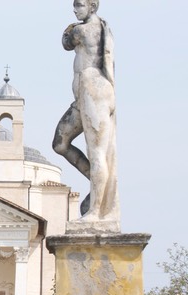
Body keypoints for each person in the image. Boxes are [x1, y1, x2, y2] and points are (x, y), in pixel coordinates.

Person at [52, 0, 119, 224]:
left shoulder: (82, 30)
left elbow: (66, 42)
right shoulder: (103, 27)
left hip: (93, 90)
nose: (75, 9)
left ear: (92, 7)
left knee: (97, 152)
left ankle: (96, 212)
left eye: (79, 5)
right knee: (60, 143)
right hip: (84, 96)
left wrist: (68, 28)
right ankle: (97, 183)